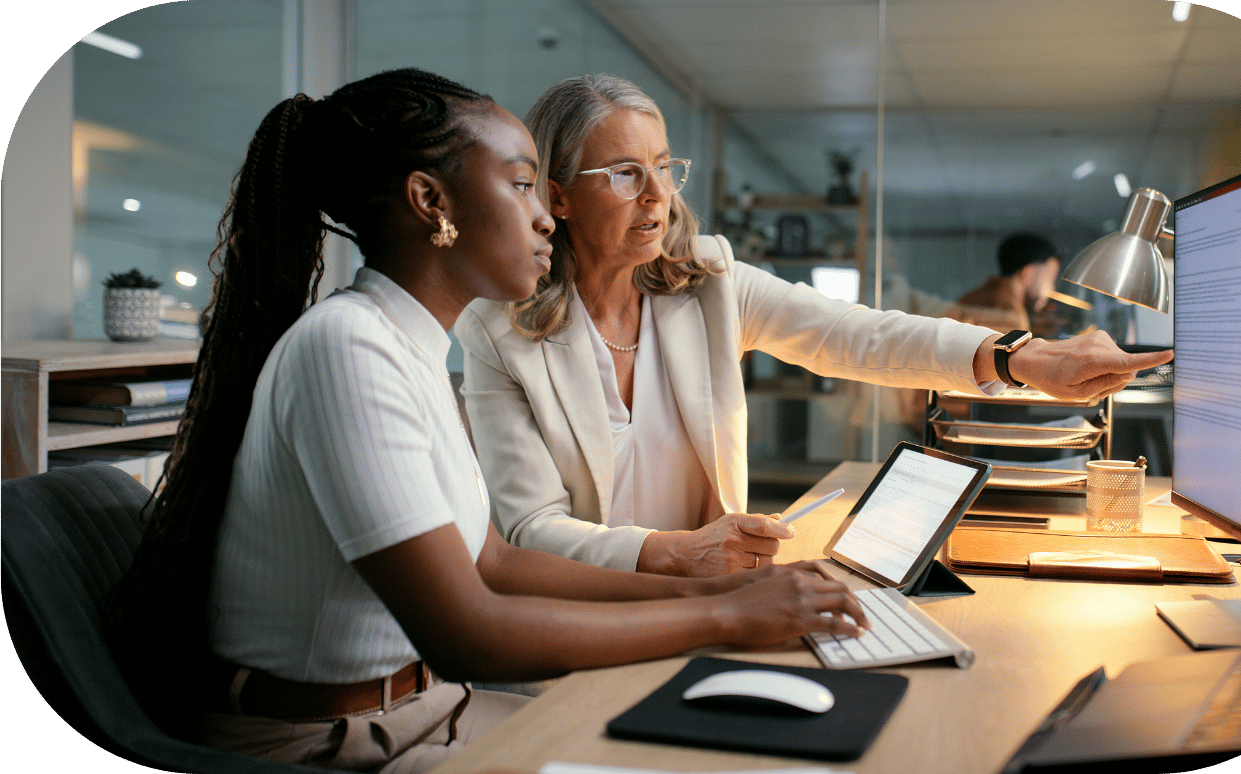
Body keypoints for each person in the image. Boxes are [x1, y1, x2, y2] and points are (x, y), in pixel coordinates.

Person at [102, 68, 867, 774]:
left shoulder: (408, 344)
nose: (546, 219)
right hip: (326, 745)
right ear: (431, 202)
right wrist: (726, 620)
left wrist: (717, 597)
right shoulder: (347, 350)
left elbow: (492, 563)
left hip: (425, 710)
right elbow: (466, 630)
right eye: (523, 186)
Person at [454, 74, 1174, 578]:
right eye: (622, 173)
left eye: (665, 168)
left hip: (712, 601)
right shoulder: (498, 333)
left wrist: (1022, 358)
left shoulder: (708, 283)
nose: (657, 196)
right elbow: (530, 532)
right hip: (592, 620)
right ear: (558, 196)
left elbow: (862, 335)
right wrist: (680, 552)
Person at [955, 231, 1063, 332]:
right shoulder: (1011, 317)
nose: (1052, 288)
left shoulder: (975, 297)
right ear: (1027, 274)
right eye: (1051, 279)